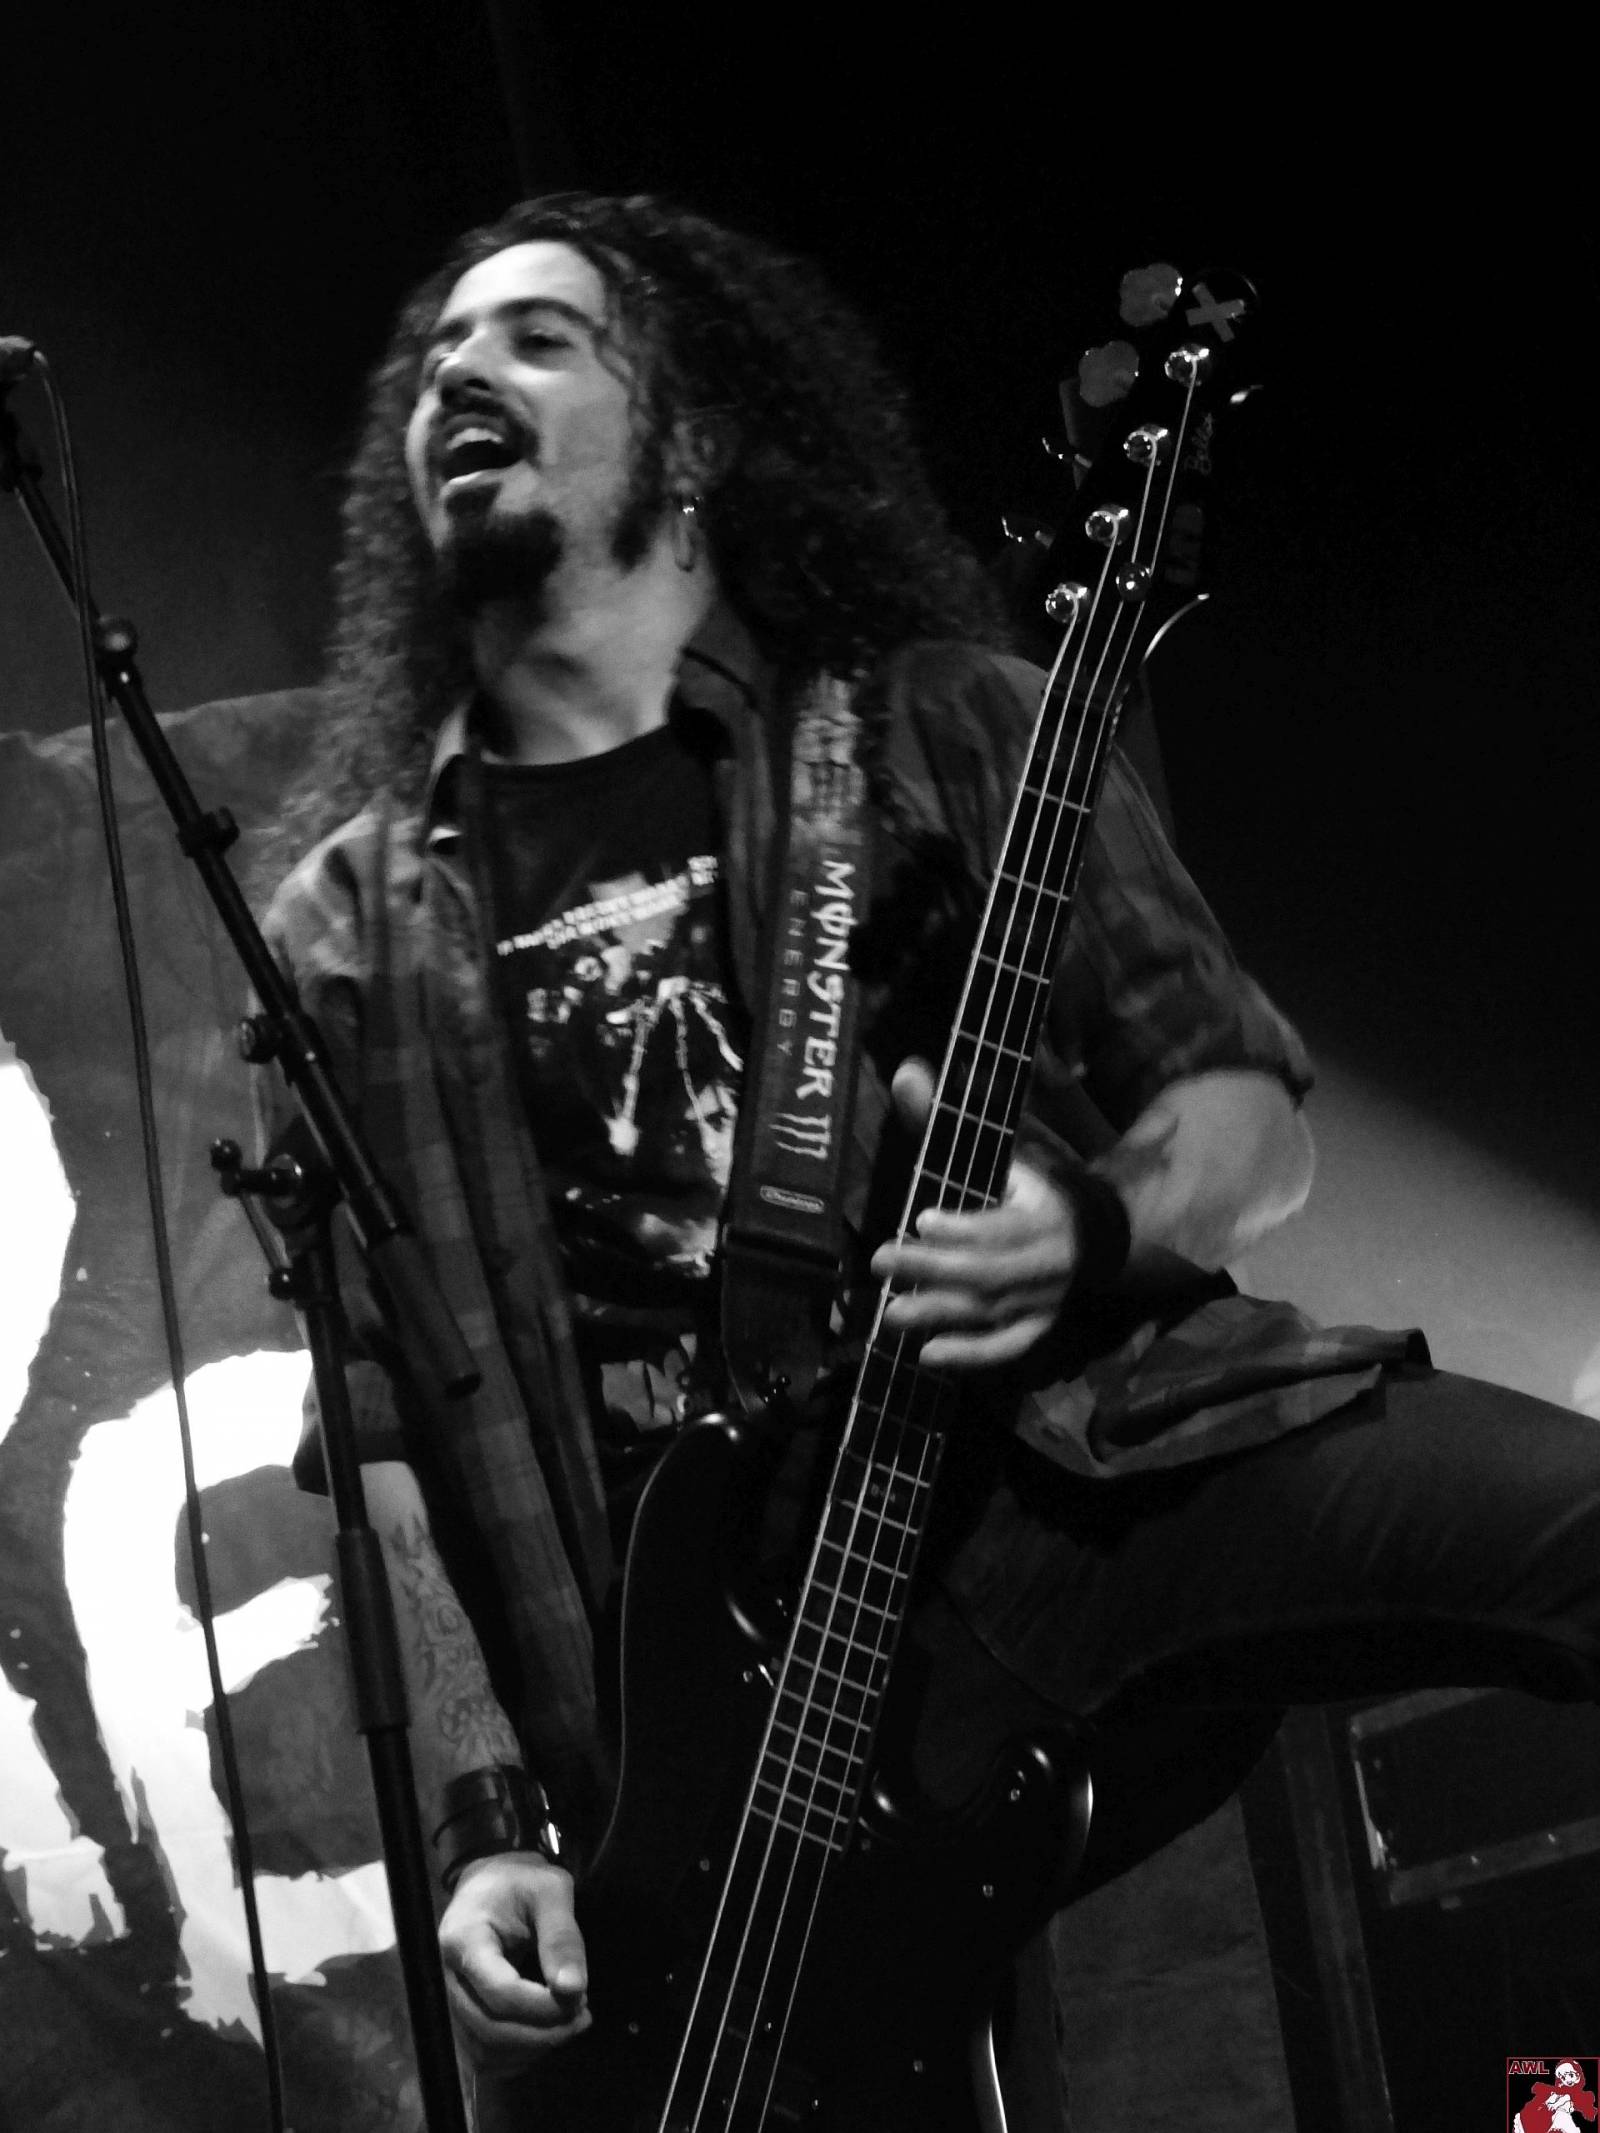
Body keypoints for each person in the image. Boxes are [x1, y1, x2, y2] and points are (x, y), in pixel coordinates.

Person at [260, 193, 1600, 2130]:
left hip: (1062, 1475)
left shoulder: (930, 724)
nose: (464, 366)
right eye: (440, 352)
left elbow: (1245, 1117)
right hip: (703, 1695)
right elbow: (380, 1437)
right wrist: (485, 1826)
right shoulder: (345, 934)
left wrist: (1086, 1225)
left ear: (691, 439)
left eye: (542, 336)